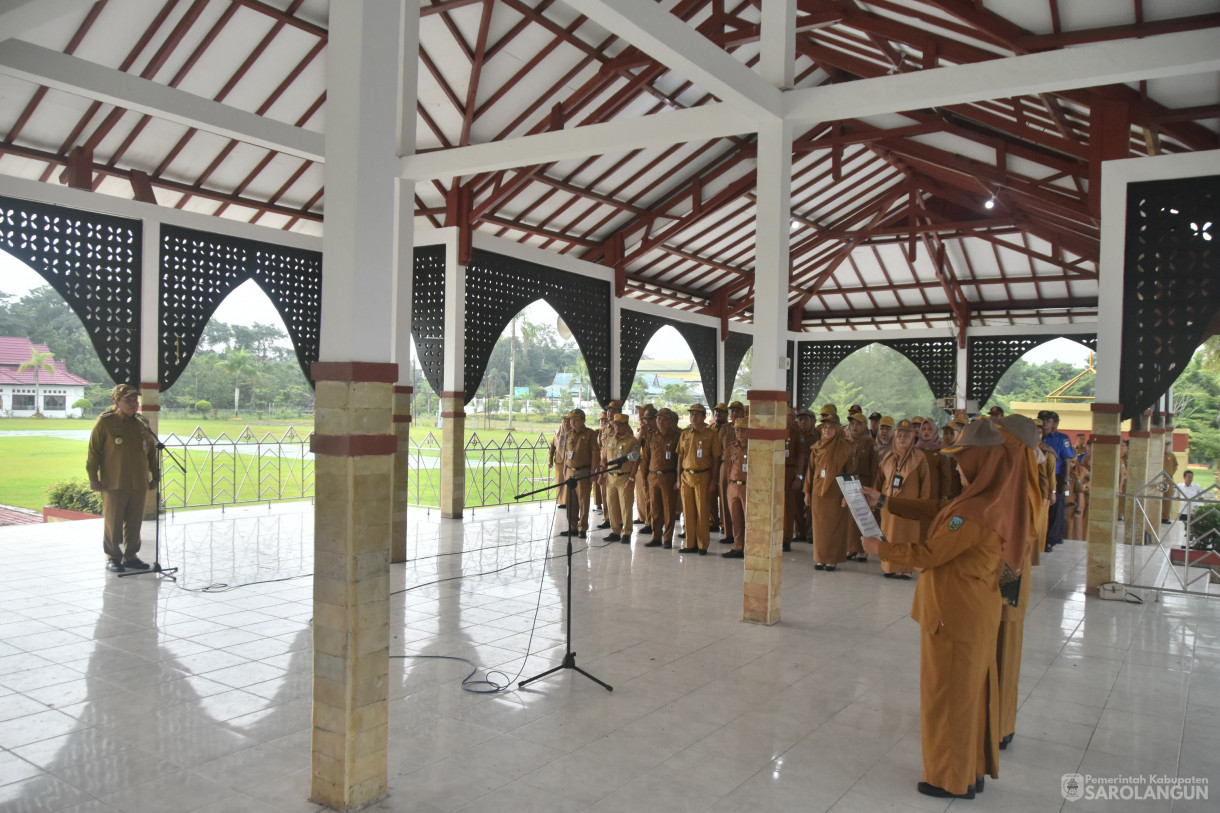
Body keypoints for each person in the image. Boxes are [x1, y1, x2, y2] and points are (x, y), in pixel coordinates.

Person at [861, 418, 1025, 800]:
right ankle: (970, 768)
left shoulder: (974, 512)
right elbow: (939, 510)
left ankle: (950, 778)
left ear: (981, 462)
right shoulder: (988, 499)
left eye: (962, 459)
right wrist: (885, 500)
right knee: (968, 695)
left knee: (948, 697)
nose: (956, 465)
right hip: (972, 613)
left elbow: (930, 553)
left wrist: (879, 548)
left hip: (954, 618)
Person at [87, 384, 159, 572]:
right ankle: (113, 557)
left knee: (135, 521)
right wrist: (93, 478)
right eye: (128, 400)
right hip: (114, 482)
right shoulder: (105, 422)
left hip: (139, 482)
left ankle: (131, 556)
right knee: (113, 521)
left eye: (135, 400)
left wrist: (155, 476)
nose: (133, 404)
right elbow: (94, 452)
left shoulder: (142, 422)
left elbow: (151, 452)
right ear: (116, 401)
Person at [875, 418, 929, 579]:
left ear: (913, 437)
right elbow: (879, 480)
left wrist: (922, 506)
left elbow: (925, 484)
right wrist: (875, 498)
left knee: (907, 537)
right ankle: (889, 567)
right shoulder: (888, 457)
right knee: (889, 535)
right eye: (899, 435)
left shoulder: (919, 457)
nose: (902, 438)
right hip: (888, 506)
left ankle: (905, 568)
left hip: (909, 508)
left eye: (907, 435)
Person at [805, 406, 856, 571]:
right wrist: (807, 492)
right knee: (819, 529)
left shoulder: (845, 447)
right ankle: (820, 558)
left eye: (831, 427)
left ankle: (832, 559)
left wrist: (847, 495)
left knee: (834, 528)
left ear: (837, 428)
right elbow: (810, 471)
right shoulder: (817, 447)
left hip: (836, 494)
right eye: (825, 427)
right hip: (818, 493)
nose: (827, 430)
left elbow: (850, 473)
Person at [677, 404, 721, 554]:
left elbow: (716, 459)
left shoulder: (711, 434)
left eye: (697, 414)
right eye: (691, 414)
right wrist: (678, 478)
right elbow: (680, 456)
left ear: (703, 417)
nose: (693, 417)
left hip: (703, 475)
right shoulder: (685, 434)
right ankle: (690, 544)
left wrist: (714, 481)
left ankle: (702, 545)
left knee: (702, 512)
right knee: (688, 512)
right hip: (686, 476)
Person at [642, 408, 681, 548]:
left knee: (669, 509)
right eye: (659, 419)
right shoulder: (651, 436)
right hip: (653, 476)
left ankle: (668, 538)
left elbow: (679, 461)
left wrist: (678, 479)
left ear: (671, 421)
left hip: (669, 476)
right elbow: (645, 459)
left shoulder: (677, 436)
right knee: (655, 509)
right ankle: (656, 536)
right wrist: (643, 478)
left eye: (664, 419)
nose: (661, 422)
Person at [845, 412, 879, 563]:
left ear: (865, 426)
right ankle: (851, 547)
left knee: (862, 517)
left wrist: (872, 489)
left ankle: (862, 551)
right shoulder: (847, 443)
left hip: (864, 485)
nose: (855, 427)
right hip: (848, 484)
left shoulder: (871, 444)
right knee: (850, 518)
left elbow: (875, 470)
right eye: (852, 424)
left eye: (858, 424)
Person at [1038, 410, 1074, 550]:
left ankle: (1050, 539)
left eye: (1048, 420)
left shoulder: (1061, 438)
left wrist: (1065, 481)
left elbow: (1066, 461)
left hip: (1056, 477)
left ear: (1055, 423)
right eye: (1042, 420)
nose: (1044, 423)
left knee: (1055, 508)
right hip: (1038, 477)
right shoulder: (1036, 436)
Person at [601, 413, 639, 543]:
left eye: (620, 424)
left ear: (626, 425)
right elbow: (604, 459)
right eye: (615, 424)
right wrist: (602, 475)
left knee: (626, 507)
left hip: (625, 478)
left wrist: (632, 479)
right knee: (611, 505)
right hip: (611, 477)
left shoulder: (632, 441)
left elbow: (635, 461)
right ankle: (615, 531)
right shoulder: (609, 439)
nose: (617, 427)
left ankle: (627, 532)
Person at [561, 408, 599, 538]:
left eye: (575, 420)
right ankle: (572, 527)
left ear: (583, 420)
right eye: (571, 420)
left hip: (584, 471)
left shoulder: (590, 434)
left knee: (583, 501)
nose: (572, 422)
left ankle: (582, 528)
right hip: (571, 472)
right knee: (570, 502)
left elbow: (595, 453)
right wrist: (565, 470)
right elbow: (567, 453)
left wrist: (594, 472)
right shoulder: (569, 434)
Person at [721, 417, 749, 559]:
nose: (739, 432)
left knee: (749, 519)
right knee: (736, 519)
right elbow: (728, 467)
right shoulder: (731, 446)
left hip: (747, 487)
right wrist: (728, 485)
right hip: (733, 486)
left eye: (743, 429)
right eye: (737, 429)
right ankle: (738, 547)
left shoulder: (754, 447)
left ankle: (750, 548)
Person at [717, 401, 744, 546]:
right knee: (725, 499)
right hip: (726, 464)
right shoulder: (725, 428)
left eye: (737, 411)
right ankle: (728, 532)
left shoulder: (746, 427)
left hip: (741, 466)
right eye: (732, 411)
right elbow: (718, 450)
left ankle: (740, 535)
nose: (734, 414)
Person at [635, 405, 657, 533]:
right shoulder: (644, 431)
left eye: (650, 420)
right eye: (645, 420)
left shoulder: (660, 432)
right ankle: (649, 522)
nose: (647, 422)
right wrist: (641, 433)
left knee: (657, 500)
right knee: (647, 497)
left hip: (659, 468)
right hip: (646, 468)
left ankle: (658, 523)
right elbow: (636, 447)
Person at [548, 415, 571, 507]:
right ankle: (561, 501)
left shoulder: (573, 433)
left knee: (568, 481)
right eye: (564, 422)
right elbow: (552, 448)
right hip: (559, 461)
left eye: (568, 422)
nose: (566, 424)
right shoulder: (557, 433)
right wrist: (550, 460)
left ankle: (568, 501)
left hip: (569, 461)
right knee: (560, 481)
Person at [1162, 446, 1180, 523]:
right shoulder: (1157, 455)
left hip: (1168, 479)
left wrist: (1171, 474)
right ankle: (1158, 516)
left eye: (1166, 445)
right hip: (1159, 479)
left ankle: (1165, 517)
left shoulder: (1171, 455)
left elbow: (1175, 466)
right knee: (1158, 498)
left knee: (1168, 498)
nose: (1165, 446)